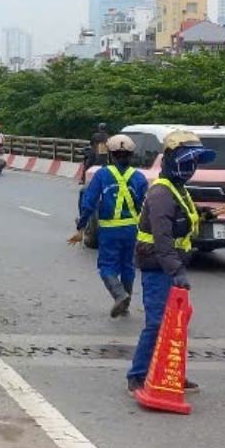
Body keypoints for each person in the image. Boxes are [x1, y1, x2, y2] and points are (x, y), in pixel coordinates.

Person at [126, 129, 217, 397]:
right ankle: (138, 375)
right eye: (186, 160)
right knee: (156, 323)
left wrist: (201, 217)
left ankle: (169, 371)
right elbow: (163, 238)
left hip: (172, 265)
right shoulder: (161, 193)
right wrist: (176, 270)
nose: (191, 167)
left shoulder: (179, 190)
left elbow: (182, 223)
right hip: (159, 266)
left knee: (175, 324)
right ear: (169, 159)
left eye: (194, 162)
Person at [72, 135, 149, 317]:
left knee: (107, 265)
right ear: (131, 156)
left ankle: (119, 294)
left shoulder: (102, 175)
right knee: (127, 265)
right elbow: (143, 206)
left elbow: (89, 202)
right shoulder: (139, 178)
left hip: (109, 230)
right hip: (131, 229)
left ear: (111, 156)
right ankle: (126, 303)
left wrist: (81, 225)